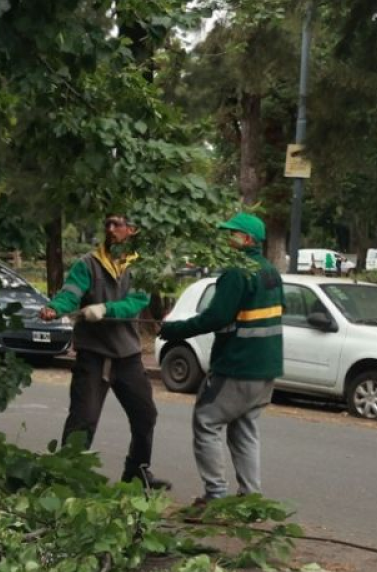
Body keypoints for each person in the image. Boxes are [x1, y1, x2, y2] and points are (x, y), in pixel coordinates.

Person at [159, 212, 283, 511]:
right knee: (244, 430)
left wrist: (171, 330)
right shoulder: (270, 272)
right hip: (266, 368)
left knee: (207, 421)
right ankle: (251, 499)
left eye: (232, 234)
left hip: (237, 365)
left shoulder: (236, 273)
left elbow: (215, 317)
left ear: (248, 240)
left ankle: (216, 496)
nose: (227, 240)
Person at [40, 213, 170, 490]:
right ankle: (67, 478)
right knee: (83, 419)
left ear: (132, 230)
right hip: (93, 356)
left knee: (145, 415)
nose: (111, 229)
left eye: (117, 224)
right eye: (107, 224)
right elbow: (70, 293)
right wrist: (56, 308)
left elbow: (135, 302)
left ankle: (138, 471)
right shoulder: (88, 264)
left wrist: (105, 309)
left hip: (128, 357)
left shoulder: (141, 267)